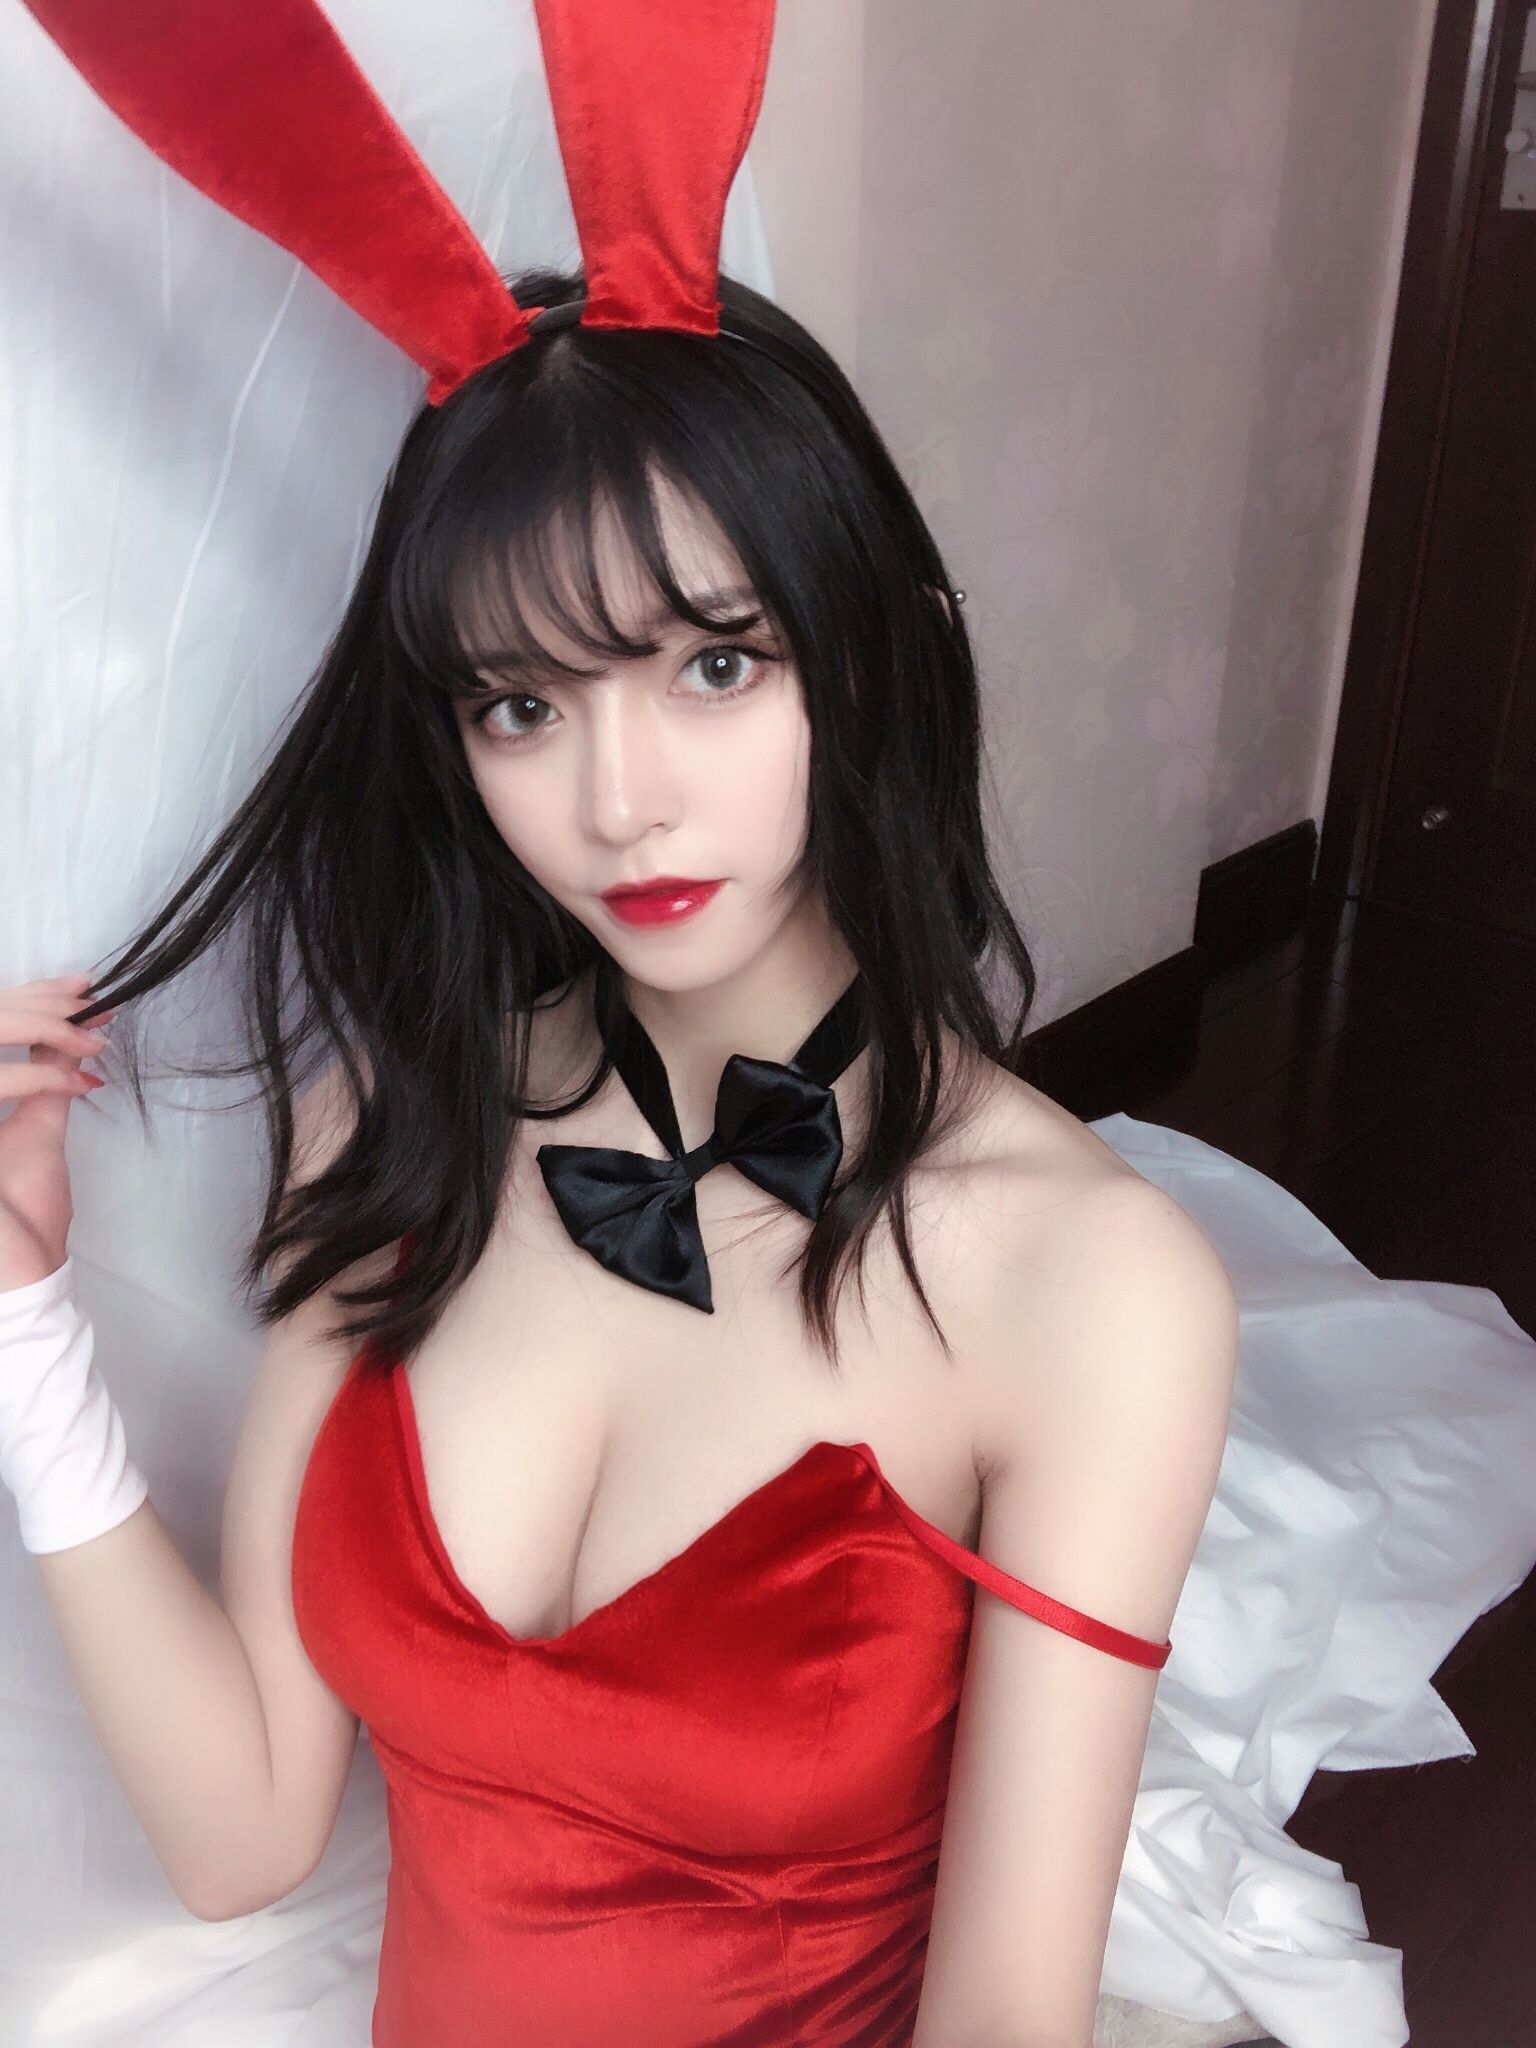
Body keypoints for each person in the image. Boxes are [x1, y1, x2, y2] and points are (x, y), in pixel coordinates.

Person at [2, 6, 1238, 2044]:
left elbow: (1007, 2013)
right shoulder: (389, 1122)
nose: (618, 802)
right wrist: (27, 1318)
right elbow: (243, 1831)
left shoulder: (1093, 1283)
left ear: (879, 654)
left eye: (715, 666)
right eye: (522, 702)